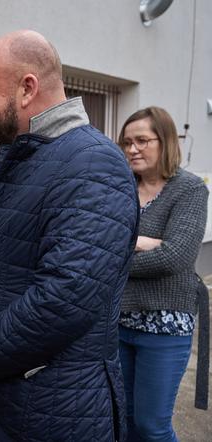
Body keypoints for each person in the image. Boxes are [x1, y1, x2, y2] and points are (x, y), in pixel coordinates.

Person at [0, 30, 139, 441]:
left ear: (27, 88)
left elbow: (62, 300)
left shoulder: (93, 165)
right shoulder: (24, 152)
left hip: (57, 409)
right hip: (14, 395)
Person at [117, 106, 208, 442]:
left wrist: (117, 258)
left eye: (142, 140)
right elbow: (98, 242)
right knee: (123, 421)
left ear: (166, 141)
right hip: (119, 322)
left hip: (165, 326)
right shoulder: (122, 187)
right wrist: (141, 243)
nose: (132, 149)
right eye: (127, 142)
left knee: (151, 426)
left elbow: (175, 257)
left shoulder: (189, 189)